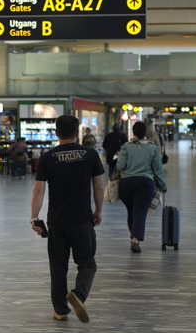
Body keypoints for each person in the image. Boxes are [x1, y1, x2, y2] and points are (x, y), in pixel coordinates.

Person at [31, 114, 105, 322]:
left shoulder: (47, 157)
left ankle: (60, 311)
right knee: (87, 263)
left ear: (56, 132)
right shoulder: (90, 154)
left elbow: (39, 191)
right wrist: (98, 211)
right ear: (77, 132)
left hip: (57, 221)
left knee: (58, 267)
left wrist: (34, 217)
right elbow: (99, 186)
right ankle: (79, 295)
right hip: (82, 220)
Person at [115, 120, 167, 253]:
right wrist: (163, 185)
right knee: (139, 212)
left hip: (126, 184)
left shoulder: (126, 147)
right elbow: (158, 169)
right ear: (145, 133)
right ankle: (135, 240)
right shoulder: (152, 148)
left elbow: (120, 166)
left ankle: (133, 237)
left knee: (131, 211)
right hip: (145, 183)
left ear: (133, 132)